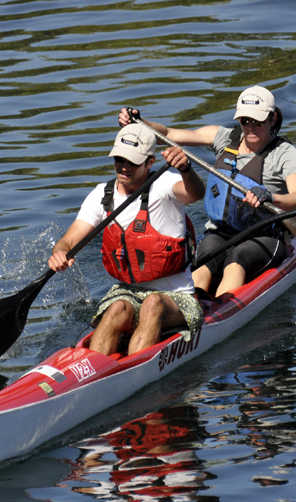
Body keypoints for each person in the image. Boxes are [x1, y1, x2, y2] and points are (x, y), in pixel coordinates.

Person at [118, 85, 296, 298]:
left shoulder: (285, 153)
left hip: (265, 235)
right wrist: (140, 123)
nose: (250, 128)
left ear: (272, 119)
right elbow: (169, 134)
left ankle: (220, 311)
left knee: (238, 257)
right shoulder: (225, 138)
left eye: (258, 121)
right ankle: (188, 308)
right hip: (221, 232)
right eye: (245, 121)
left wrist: (271, 197)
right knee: (206, 255)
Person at [48, 123, 205, 356]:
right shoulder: (102, 195)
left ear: (149, 163)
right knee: (116, 308)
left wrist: (186, 169)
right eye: (119, 160)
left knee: (152, 304)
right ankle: (94, 370)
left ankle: (135, 370)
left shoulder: (164, 184)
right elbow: (69, 240)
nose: (123, 167)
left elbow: (196, 193)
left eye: (132, 162)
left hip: (178, 298)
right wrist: (59, 252)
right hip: (129, 294)